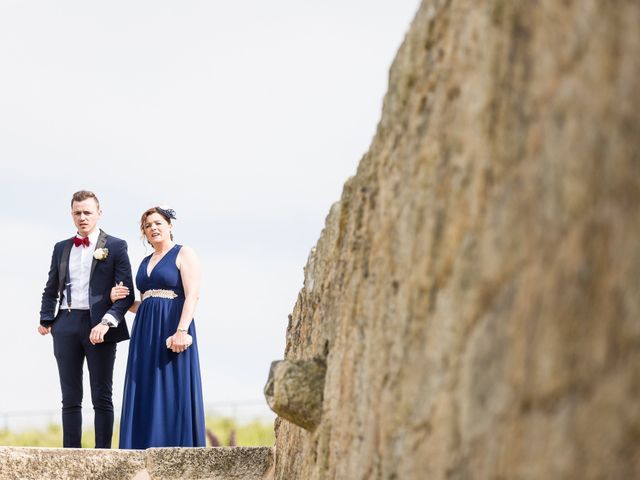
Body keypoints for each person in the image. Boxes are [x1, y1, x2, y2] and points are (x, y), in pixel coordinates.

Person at [39, 190, 134, 448]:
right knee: (70, 396)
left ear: (99, 214)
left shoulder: (115, 246)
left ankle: (103, 454)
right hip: (66, 323)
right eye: (77, 213)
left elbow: (126, 295)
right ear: (72, 214)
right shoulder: (61, 248)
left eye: (87, 212)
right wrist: (47, 319)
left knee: (101, 394)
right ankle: (71, 454)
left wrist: (107, 322)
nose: (82, 217)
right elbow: (51, 287)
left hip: (99, 325)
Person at [112, 206, 206, 448]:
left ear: (169, 225)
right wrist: (120, 300)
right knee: (145, 386)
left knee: (171, 388)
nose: (152, 228)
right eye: (147, 226)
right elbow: (144, 303)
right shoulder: (144, 261)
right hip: (145, 331)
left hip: (173, 327)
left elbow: (192, 295)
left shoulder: (184, 253)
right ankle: (141, 446)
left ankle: (175, 447)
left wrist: (182, 331)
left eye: (157, 223)